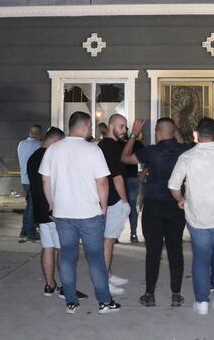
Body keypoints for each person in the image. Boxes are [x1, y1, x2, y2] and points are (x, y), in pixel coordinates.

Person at [40, 111, 121, 315]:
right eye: (90, 127)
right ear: (84, 127)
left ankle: (71, 302)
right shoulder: (92, 150)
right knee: (96, 259)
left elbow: (45, 180)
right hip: (89, 214)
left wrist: (52, 203)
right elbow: (102, 181)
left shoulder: (53, 150)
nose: (91, 130)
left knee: (67, 257)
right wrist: (104, 206)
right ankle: (104, 302)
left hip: (63, 214)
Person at [168, 118, 214, 316]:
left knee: (201, 259)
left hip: (198, 217)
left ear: (197, 134)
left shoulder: (187, 156)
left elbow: (173, 185)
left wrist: (180, 200)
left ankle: (201, 302)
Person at [122, 117, 191, 307]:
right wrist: (175, 130)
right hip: (176, 205)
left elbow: (125, 157)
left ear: (158, 133)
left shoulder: (151, 152)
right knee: (175, 250)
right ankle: (176, 294)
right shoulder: (183, 150)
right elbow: (182, 144)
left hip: (153, 206)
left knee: (153, 252)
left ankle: (149, 294)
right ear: (173, 132)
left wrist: (134, 134)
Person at [27, 126, 88, 300]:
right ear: (55, 140)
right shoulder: (52, 157)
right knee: (64, 249)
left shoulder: (33, 158)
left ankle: (50, 284)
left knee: (47, 247)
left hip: (40, 211)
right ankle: (67, 289)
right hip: (56, 210)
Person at [97, 114, 132, 295]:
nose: (124, 130)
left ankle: (108, 275)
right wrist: (125, 202)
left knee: (106, 240)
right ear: (111, 126)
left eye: (125, 126)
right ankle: (104, 282)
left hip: (105, 199)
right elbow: (117, 178)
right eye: (121, 126)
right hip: (113, 200)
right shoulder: (111, 147)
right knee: (108, 241)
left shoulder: (102, 146)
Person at [17, 125, 43, 243]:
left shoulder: (21, 144)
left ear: (30, 132)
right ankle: (29, 232)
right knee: (32, 207)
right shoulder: (38, 145)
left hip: (24, 180)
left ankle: (25, 230)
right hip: (33, 180)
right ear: (40, 134)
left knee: (30, 205)